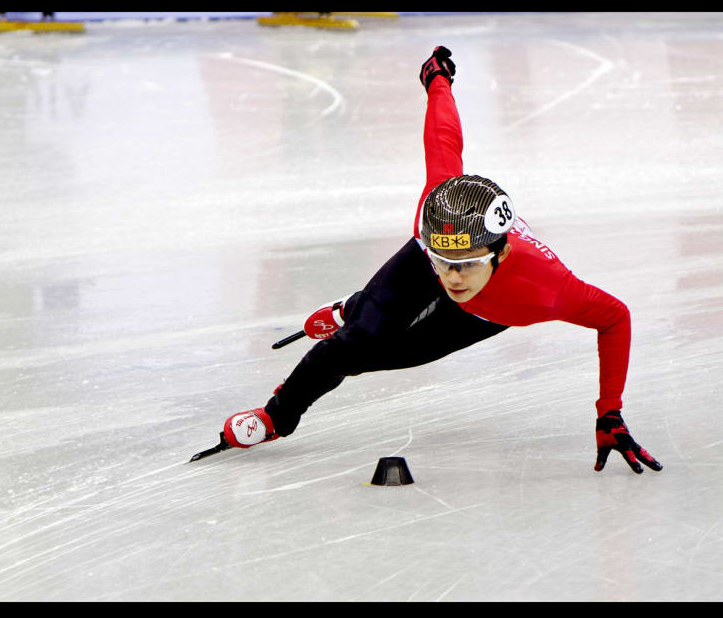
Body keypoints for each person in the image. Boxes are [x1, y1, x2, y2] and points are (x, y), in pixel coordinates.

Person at [219, 47, 662, 475]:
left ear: (501, 252)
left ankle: (354, 307)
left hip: (490, 310)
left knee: (375, 358)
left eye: (466, 263)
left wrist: (610, 413)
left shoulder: (546, 288)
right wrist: (437, 80)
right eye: (444, 259)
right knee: (351, 347)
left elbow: (615, 318)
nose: (452, 276)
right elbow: (443, 135)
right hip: (420, 262)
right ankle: (278, 417)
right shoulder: (438, 208)